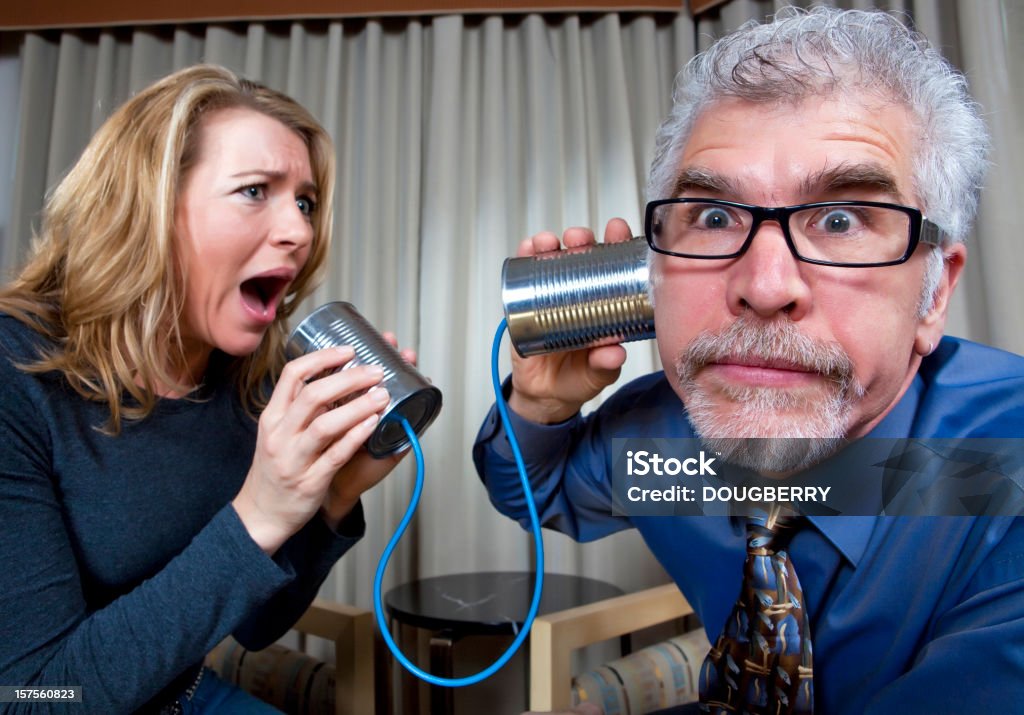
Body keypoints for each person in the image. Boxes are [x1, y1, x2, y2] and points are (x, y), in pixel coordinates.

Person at [475, 7, 1024, 715]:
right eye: (713, 218)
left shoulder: (997, 472)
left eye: (840, 220)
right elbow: (531, 487)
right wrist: (542, 405)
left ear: (934, 290)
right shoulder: (669, 447)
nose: (764, 287)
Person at [0, 65, 414, 713]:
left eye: (304, 201)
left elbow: (255, 623)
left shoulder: (247, 381)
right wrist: (258, 515)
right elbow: (35, 697)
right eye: (255, 191)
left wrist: (332, 496)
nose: (301, 231)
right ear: (147, 207)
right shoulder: (12, 377)